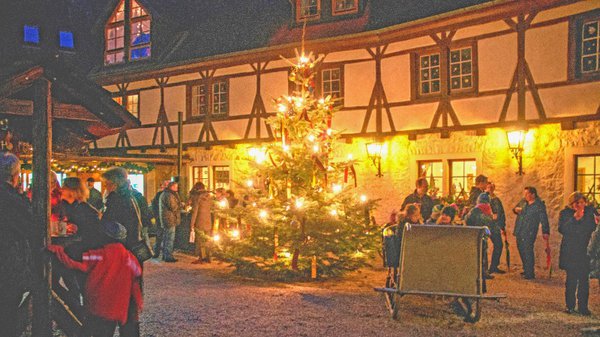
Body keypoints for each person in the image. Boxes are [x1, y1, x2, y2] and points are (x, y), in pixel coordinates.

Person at [47, 221, 143, 337]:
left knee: (87, 331)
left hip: (96, 307)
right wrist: (137, 303)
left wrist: (58, 251)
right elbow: (137, 275)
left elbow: (74, 263)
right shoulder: (130, 258)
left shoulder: (98, 255)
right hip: (115, 310)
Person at [101, 167, 143, 337]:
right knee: (129, 298)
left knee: (119, 297)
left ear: (114, 184)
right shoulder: (132, 196)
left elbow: (111, 229)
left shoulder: (116, 200)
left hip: (122, 253)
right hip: (132, 252)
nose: (105, 187)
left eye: (107, 184)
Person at [0, 152, 34, 337]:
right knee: (8, 316)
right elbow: (30, 228)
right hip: (8, 265)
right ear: (15, 176)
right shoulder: (13, 201)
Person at [558, 192, 596, 315]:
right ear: (572, 204)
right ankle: (570, 305)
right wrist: (574, 219)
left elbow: (592, 228)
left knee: (584, 280)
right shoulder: (565, 214)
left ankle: (583, 307)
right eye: (576, 203)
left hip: (584, 250)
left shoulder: (590, 214)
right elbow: (562, 229)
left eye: (581, 202)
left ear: (585, 203)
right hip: (571, 250)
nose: (579, 205)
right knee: (571, 280)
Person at [513, 186, 550, 280]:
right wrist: (515, 210)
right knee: (521, 249)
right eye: (524, 194)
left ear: (533, 194)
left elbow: (544, 218)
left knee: (528, 250)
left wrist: (545, 231)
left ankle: (530, 273)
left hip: (529, 230)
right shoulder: (523, 202)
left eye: (527, 194)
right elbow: (515, 208)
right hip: (520, 229)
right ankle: (526, 268)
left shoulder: (539, 205)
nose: (525, 196)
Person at [465, 192, 494, 280]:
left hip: (475, 234)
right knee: (483, 254)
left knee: (478, 254)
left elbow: (468, 220)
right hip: (483, 235)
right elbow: (490, 222)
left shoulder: (475, 209)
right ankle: (483, 273)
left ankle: (479, 273)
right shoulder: (488, 210)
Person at [189, 182, 213, 264]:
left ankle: (201, 257)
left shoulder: (198, 198)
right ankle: (208, 256)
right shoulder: (210, 197)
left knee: (199, 240)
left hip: (200, 220)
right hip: (208, 221)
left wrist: (192, 223)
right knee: (207, 239)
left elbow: (195, 212)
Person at [487, 182, 507, 274]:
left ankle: (494, 266)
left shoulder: (496, 200)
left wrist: (502, 226)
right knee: (498, 244)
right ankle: (492, 267)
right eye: (489, 187)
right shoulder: (485, 199)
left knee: (499, 245)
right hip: (490, 225)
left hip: (495, 226)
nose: (490, 189)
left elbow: (501, 213)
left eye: (492, 187)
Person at [159, 180, 181, 263]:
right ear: (171, 187)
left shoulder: (165, 194)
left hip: (166, 219)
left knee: (166, 237)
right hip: (169, 219)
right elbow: (173, 207)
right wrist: (180, 205)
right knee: (170, 238)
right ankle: (168, 256)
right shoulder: (169, 195)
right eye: (176, 187)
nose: (177, 188)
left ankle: (165, 255)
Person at [151, 180, 169, 258]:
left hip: (160, 217)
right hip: (163, 218)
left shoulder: (159, 194)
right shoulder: (165, 195)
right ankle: (163, 253)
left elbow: (153, 205)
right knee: (164, 236)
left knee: (159, 236)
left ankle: (157, 252)